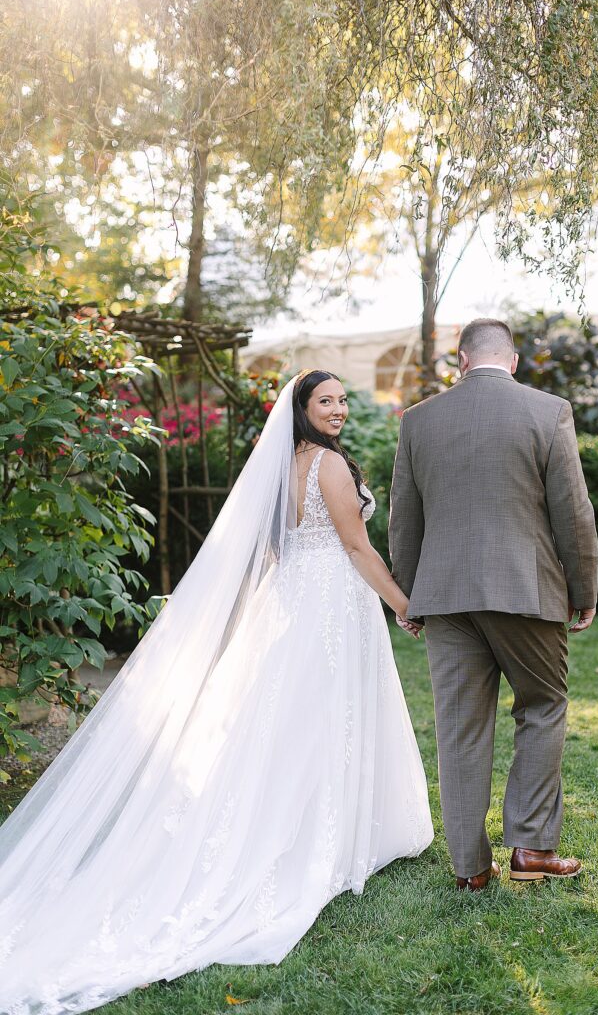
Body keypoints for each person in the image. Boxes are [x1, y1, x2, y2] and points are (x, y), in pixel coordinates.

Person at [0, 370, 433, 1015]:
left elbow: (271, 553)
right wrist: (405, 605)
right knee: (323, 721)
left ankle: (319, 823)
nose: (339, 410)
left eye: (343, 400)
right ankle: (321, 835)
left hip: (296, 603)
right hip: (331, 607)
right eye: (327, 402)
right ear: (302, 409)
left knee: (295, 723)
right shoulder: (331, 469)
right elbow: (356, 547)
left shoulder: (282, 466)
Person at [389, 318, 598, 891]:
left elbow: (403, 517)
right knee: (543, 704)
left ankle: (470, 869)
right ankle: (531, 849)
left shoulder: (419, 420)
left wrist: (408, 595)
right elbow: (573, 515)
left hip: (446, 596)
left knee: (459, 728)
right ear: (512, 360)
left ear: (460, 360)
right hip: (525, 592)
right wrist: (583, 592)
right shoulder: (548, 411)